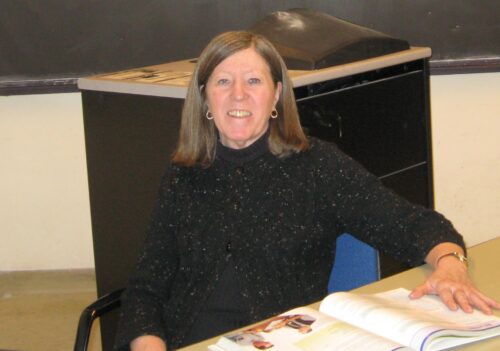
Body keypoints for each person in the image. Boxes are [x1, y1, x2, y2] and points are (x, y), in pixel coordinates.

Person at [114, 31, 500, 351]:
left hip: (279, 341)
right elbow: (146, 287)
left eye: (253, 81)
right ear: (205, 99)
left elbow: (408, 223)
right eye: (223, 82)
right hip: (188, 342)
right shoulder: (184, 174)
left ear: (276, 95)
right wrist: (150, 345)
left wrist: (451, 264)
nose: (238, 95)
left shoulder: (317, 167)